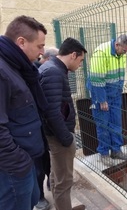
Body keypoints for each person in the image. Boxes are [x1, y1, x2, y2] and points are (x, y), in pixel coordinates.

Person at [0, 15, 48, 210]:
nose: (42, 52)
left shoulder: (16, 66)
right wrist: (20, 162)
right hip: (14, 168)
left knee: (32, 200)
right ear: (21, 42)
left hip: (26, 159)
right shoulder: (2, 72)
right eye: (39, 46)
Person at [38, 37, 87, 210]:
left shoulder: (53, 68)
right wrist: (66, 138)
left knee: (56, 176)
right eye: (81, 60)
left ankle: (62, 206)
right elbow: (51, 112)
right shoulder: (53, 72)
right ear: (73, 55)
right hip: (59, 137)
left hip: (55, 135)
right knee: (64, 181)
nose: (80, 65)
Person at [87, 34, 127, 164]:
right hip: (101, 94)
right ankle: (104, 153)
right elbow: (96, 79)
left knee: (116, 123)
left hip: (115, 94)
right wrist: (102, 100)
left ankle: (116, 150)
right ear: (117, 45)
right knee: (103, 125)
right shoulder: (101, 52)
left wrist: (119, 92)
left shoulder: (121, 54)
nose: (125, 54)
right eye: (124, 50)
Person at [34, 47, 58, 210]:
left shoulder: (41, 70)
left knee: (47, 159)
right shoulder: (36, 71)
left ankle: (50, 183)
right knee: (37, 164)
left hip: (43, 124)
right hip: (33, 126)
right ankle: (39, 197)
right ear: (49, 59)